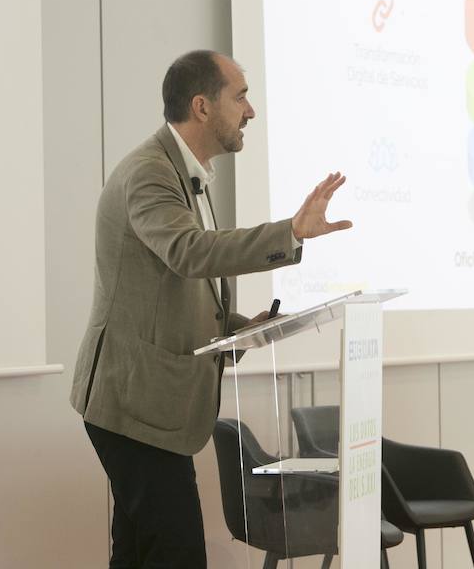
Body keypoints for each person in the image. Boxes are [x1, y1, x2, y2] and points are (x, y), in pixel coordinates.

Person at [69, 50, 352, 568]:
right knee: (176, 555)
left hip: (147, 402)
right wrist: (288, 232)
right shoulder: (151, 173)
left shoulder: (185, 172)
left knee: (139, 554)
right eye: (240, 96)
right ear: (202, 106)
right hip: (131, 404)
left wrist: (249, 330)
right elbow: (190, 252)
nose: (251, 111)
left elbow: (178, 289)